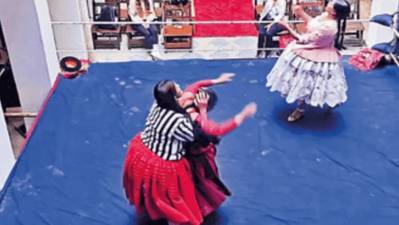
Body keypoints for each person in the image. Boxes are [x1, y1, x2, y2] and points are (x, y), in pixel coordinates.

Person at [123, 80, 203, 225]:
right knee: (173, 197)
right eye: (177, 86)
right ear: (173, 96)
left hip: (142, 151)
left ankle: (154, 209)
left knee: (152, 191)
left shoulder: (157, 104)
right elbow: (196, 137)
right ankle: (177, 219)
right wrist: (201, 110)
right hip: (163, 164)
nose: (180, 85)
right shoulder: (178, 121)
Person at [179, 76, 256, 217]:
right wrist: (243, 115)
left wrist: (218, 80)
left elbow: (196, 82)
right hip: (196, 157)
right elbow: (217, 129)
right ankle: (198, 206)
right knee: (201, 181)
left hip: (180, 153)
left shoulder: (184, 100)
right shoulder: (198, 118)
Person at [265, 0, 351, 122]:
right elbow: (313, 24)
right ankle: (310, 106)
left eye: (332, 3)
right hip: (308, 50)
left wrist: (286, 26)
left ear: (334, 12)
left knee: (310, 84)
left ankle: (303, 109)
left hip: (319, 57)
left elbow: (303, 39)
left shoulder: (330, 28)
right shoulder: (325, 16)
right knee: (304, 82)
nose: (329, 2)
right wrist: (301, 13)